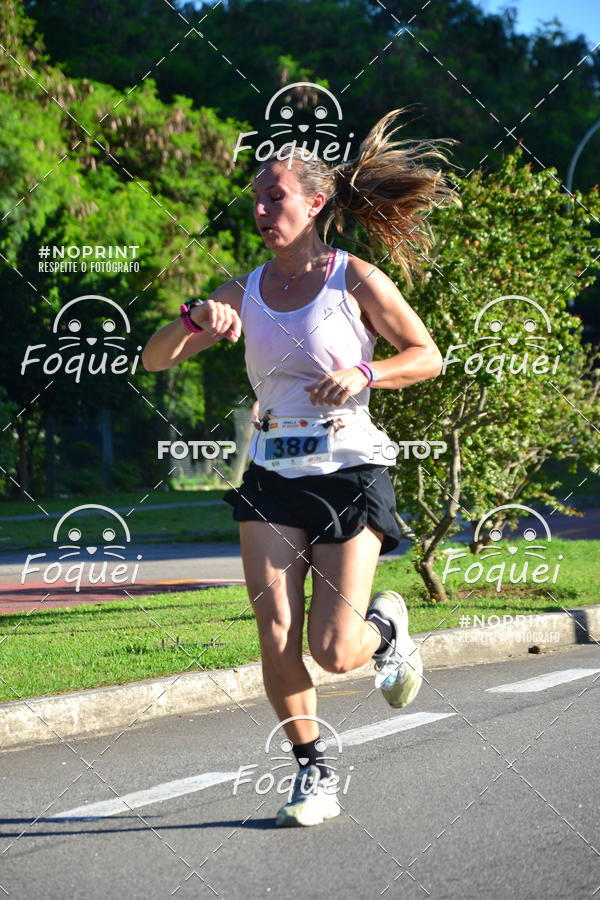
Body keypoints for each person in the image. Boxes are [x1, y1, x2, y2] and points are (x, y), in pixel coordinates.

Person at [142, 108, 457, 828]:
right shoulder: (243, 291)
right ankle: (313, 774)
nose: (259, 210)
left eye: (274, 197)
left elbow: (428, 355)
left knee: (336, 650)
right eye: (255, 199)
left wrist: (365, 373)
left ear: (315, 204)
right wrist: (195, 322)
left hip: (349, 472)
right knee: (275, 631)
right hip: (274, 474)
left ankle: (385, 628)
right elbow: (155, 358)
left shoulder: (355, 278)